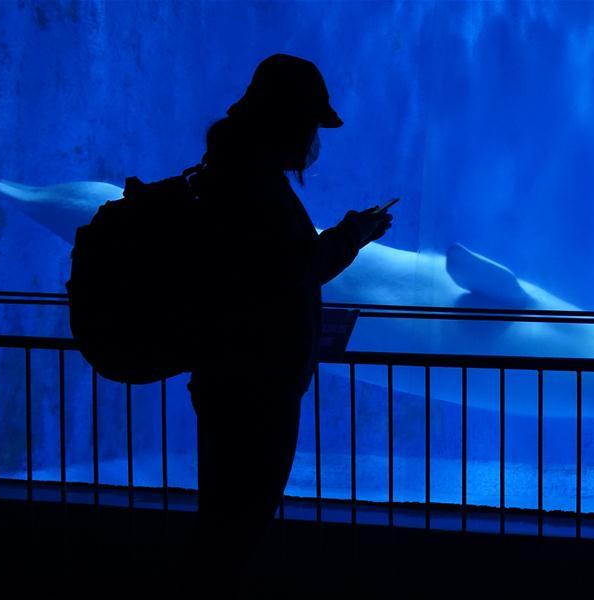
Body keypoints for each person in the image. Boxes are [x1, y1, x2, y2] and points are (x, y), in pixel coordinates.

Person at [180, 54, 394, 597]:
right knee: (235, 531)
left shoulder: (227, 172)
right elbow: (296, 267)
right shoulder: (254, 187)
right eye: (309, 124)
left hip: (234, 381)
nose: (313, 140)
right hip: (257, 389)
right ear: (285, 121)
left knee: (225, 526)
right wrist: (354, 236)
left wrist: (346, 232)